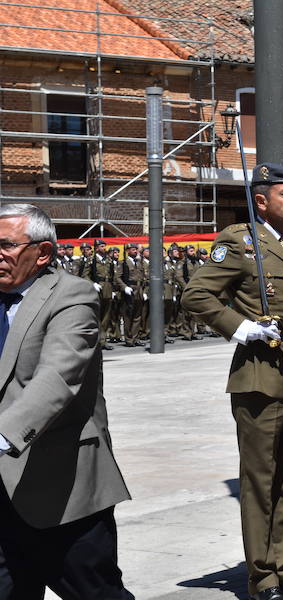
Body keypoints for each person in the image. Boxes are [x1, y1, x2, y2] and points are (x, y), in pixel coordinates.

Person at [181, 163, 283, 600]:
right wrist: (241, 327)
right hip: (261, 378)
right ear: (262, 200)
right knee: (261, 481)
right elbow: (196, 294)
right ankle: (262, 577)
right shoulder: (240, 241)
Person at [0, 204, 132, 599]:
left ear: (42, 253)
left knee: (94, 592)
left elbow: (58, 376)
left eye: (6, 245)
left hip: (61, 485)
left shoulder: (71, 297)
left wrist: (2, 436)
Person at [81, 239, 115, 350]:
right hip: (97, 289)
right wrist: (93, 284)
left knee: (106, 316)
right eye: (101, 246)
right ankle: (97, 340)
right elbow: (85, 275)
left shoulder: (108, 260)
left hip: (108, 289)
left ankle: (103, 340)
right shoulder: (91, 260)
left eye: (104, 246)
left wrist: (113, 289)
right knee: (97, 316)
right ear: (96, 248)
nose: (104, 248)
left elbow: (112, 275)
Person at [115, 243, 146, 347]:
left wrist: (144, 291)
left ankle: (135, 337)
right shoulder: (123, 263)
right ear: (128, 251)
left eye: (136, 249)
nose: (135, 251)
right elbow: (118, 277)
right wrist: (124, 287)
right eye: (133, 249)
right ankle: (129, 339)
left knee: (138, 316)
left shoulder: (139, 262)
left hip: (139, 291)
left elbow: (143, 277)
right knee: (128, 316)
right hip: (130, 290)